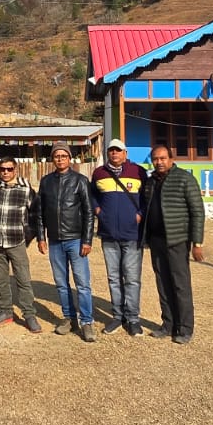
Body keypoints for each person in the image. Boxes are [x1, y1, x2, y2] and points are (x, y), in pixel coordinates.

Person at [140, 144, 206, 344]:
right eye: (155, 159)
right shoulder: (151, 182)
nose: (159, 162)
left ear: (170, 159)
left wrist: (197, 243)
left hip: (177, 241)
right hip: (156, 241)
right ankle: (168, 324)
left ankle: (185, 328)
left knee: (180, 285)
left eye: (162, 158)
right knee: (162, 283)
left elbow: (197, 212)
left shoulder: (185, 179)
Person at [35, 144, 96, 341]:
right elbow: (40, 213)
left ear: (70, 158)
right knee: (61, 284)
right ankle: (69, 318)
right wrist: (41, 237)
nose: (60, 159)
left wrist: (87, 240)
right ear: (52, 159)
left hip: (76, 240)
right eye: (57, 156)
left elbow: (88, 212)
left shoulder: (80, 181)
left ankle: (86, 321)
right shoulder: (46, 182)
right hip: (54, 241)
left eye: (64, 156)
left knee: (82, 284)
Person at [0, 153, 41, 333]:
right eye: (2, 169)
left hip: (16, 241)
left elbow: (35, 213)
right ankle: (5, 311)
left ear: (15, 170)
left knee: (23, 279)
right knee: (1, 280)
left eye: (9, 169)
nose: (5, 172)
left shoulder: (25, 189)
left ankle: (29, 314)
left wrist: (29, 235)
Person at [91, 138, 148, 337]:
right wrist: (98, 211)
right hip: (109, 235)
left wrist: (139, 214)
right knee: (113, 278)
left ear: (125, 153)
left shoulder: (138, 171)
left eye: (118, 150)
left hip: (132, 234)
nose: (114, 154)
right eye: (111, 151)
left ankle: (133, 318)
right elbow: (92, 196)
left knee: (132, 279)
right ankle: (117, 315)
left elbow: (147, 197)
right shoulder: (99, 173)